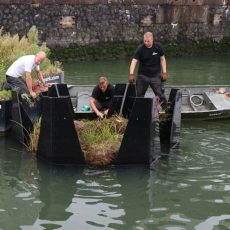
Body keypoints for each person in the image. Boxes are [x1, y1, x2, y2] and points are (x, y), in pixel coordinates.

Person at [128, 31, 168, 109]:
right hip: (143, 76)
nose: (146, 43)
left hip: (155, 75)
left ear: (152, 40)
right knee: (139, 95)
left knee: (160, 94)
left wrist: (164, 72)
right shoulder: (140, 48)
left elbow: (162, 59)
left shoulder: (158, 47)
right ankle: (139, 110)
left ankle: (166, 110)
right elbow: (134, 61)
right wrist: (131, 74)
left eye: (148, 41)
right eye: (145, 41)